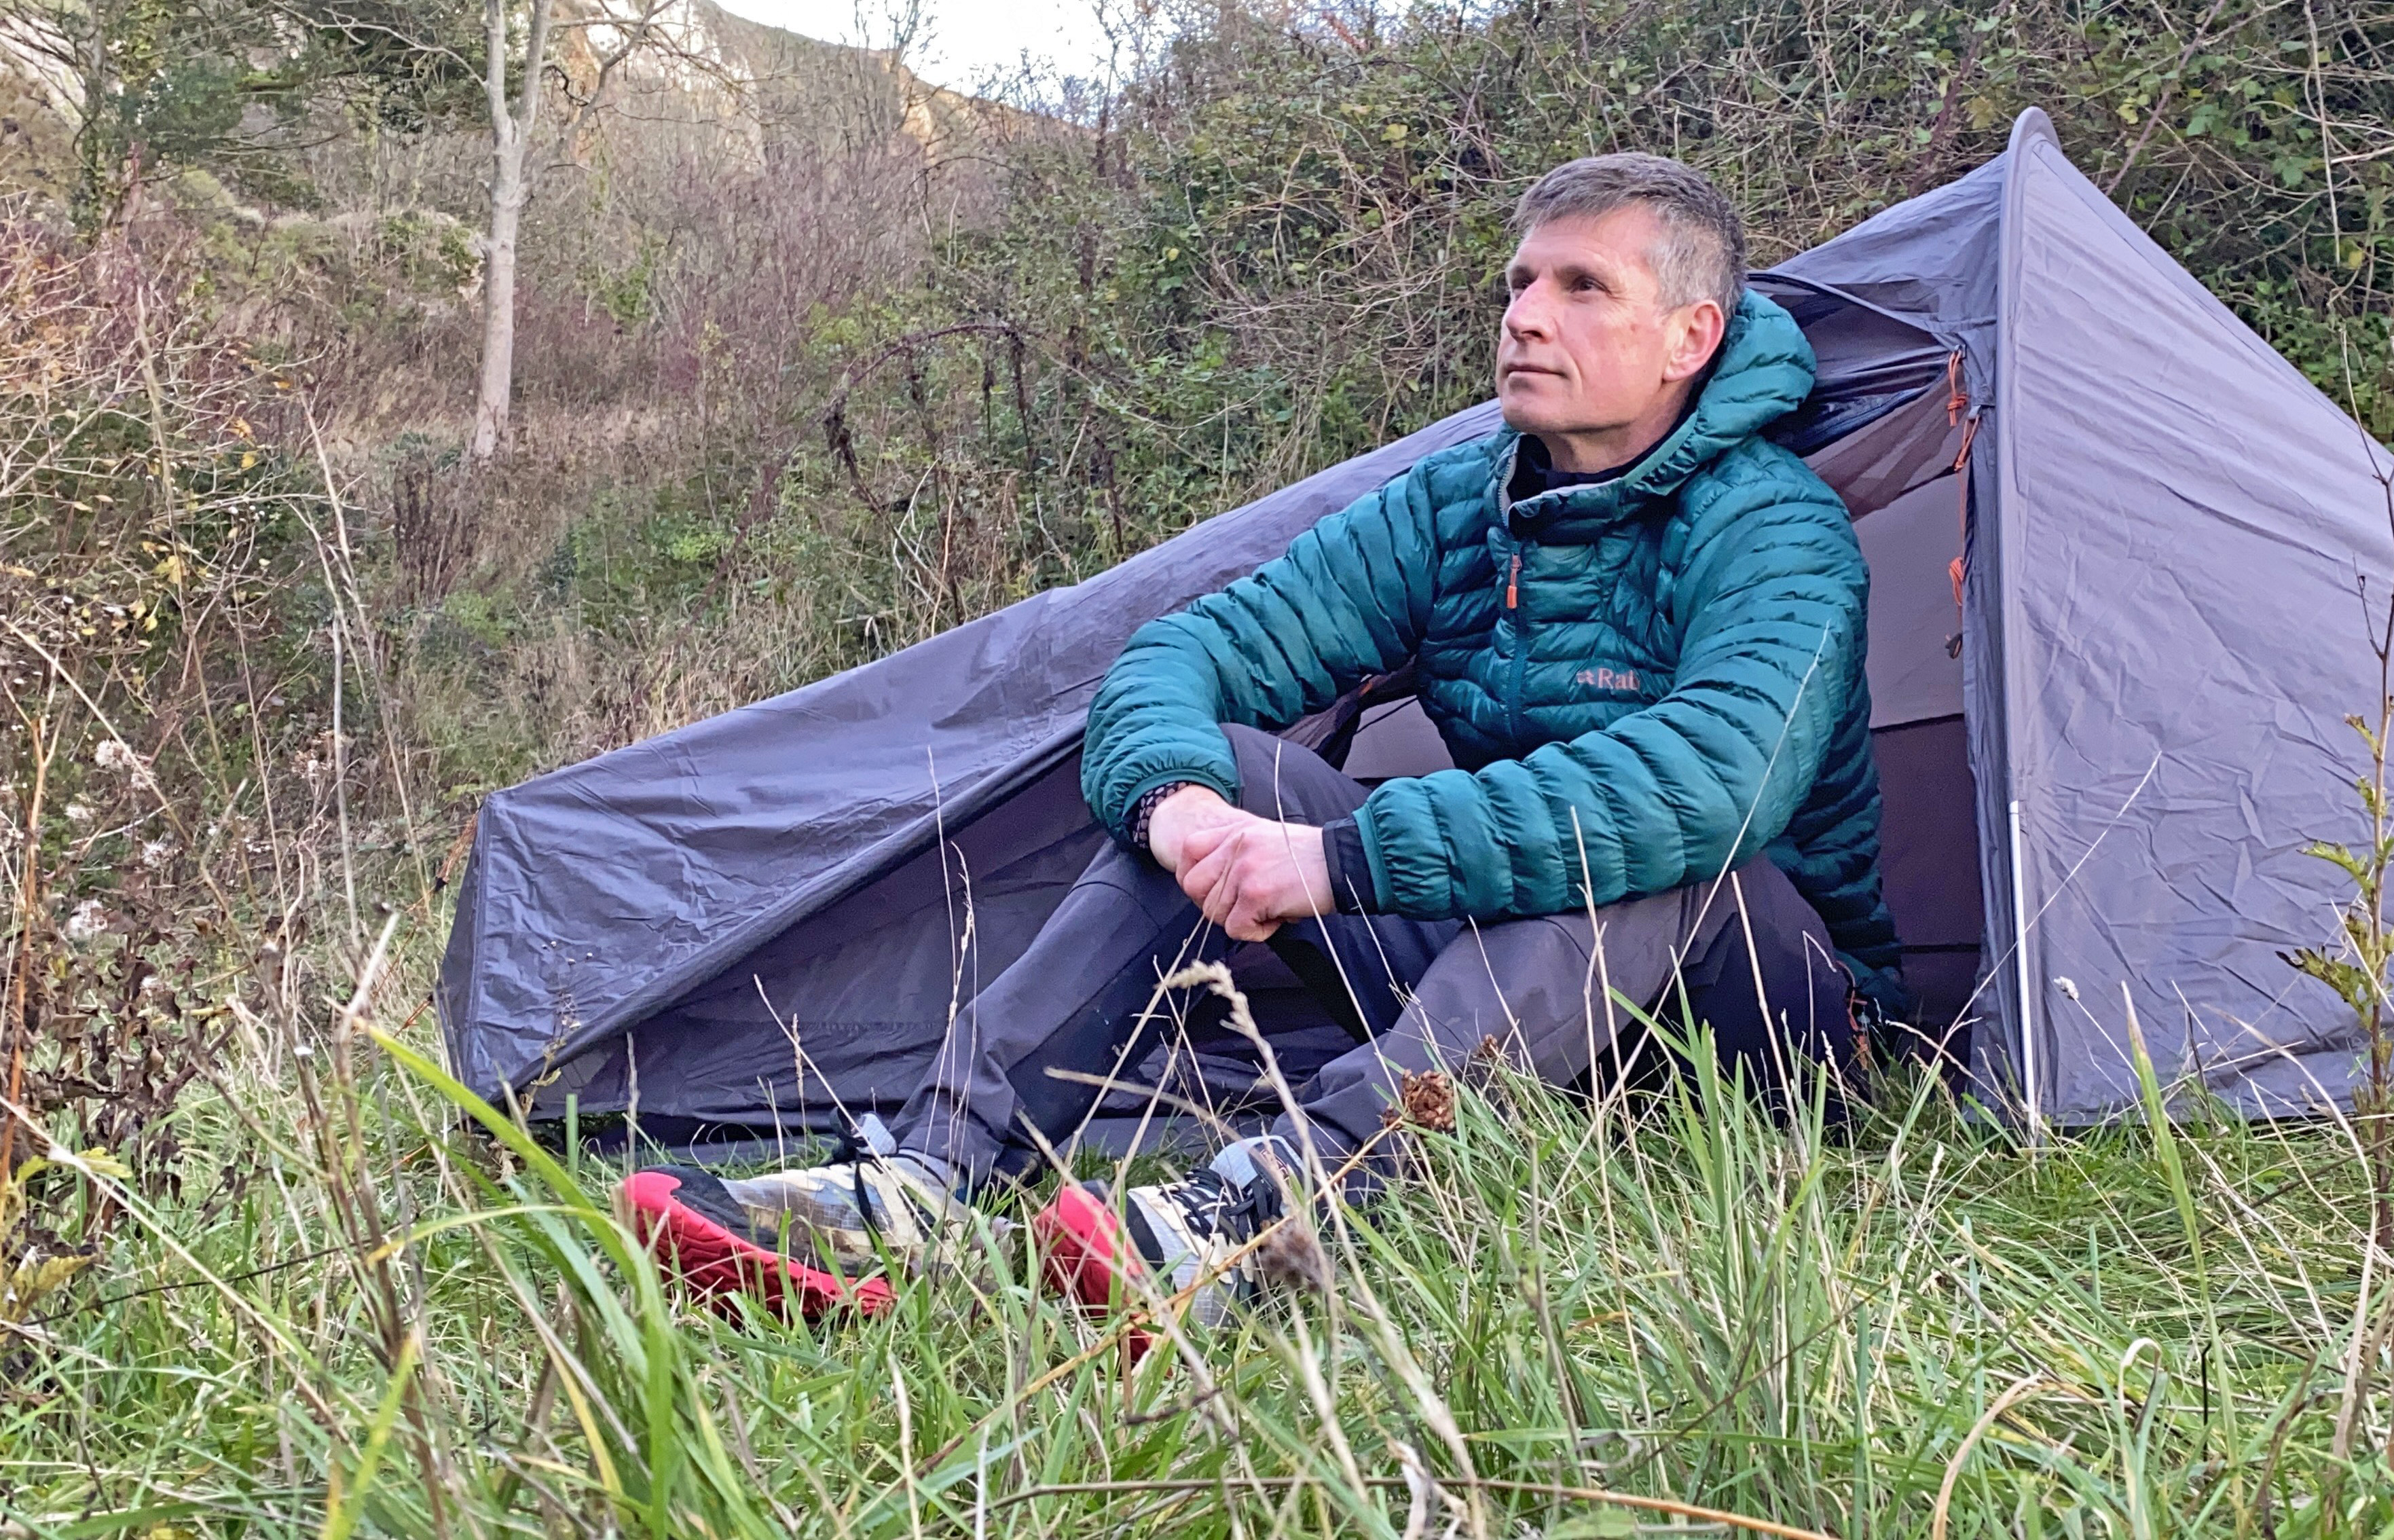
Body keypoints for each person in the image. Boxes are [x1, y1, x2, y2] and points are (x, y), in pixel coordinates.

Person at [618, 153, 1907, 1322]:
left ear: (1691, 334)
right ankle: (927, 1176)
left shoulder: (1772, 527)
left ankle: (1275, 1206)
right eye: (1520, 281)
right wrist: (1183, 809)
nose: (1523, 314)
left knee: (1656, 846)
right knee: (1232, 769)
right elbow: (1182, 656)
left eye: (1582, 287)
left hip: (1766, 1038)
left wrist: (1335, 865)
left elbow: (1708, 784)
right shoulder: (1462, 507)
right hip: (1525, 1022)